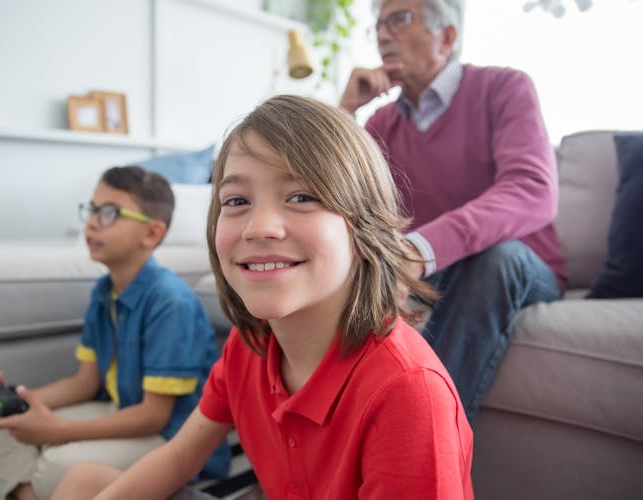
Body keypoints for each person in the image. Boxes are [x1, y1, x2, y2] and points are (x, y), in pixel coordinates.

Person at [51, 94, 474, 500]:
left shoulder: (410, 393)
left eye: (302, 197)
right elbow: (180, 456)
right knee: (83, 483)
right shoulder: (247, 346)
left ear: (363, 230)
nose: (259, 227)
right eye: (236, 201)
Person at [339, 0, 567, 422]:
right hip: (431, 273)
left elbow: (533, 189)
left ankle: (426, 443)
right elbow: (335, 201)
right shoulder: (381, 124)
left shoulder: (505, 88)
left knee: (496, 257)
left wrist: (419, 249)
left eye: (399, 20)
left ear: (447, 37)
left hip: (519, 267)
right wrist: (345, 112)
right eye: (378, 26)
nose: (384, 35)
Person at [0, 166, 230, 500]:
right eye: (92, 209)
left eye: (109, 213)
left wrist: (58, 431)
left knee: (56, 466)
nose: (92, 222)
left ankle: (41, 479)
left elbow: (154, 416)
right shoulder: (103, 291)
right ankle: (28, 493)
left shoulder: (171, 301)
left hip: (168, 435)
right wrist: (25, 403)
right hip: (119, 408)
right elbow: (86, 381)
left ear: (151, 234)